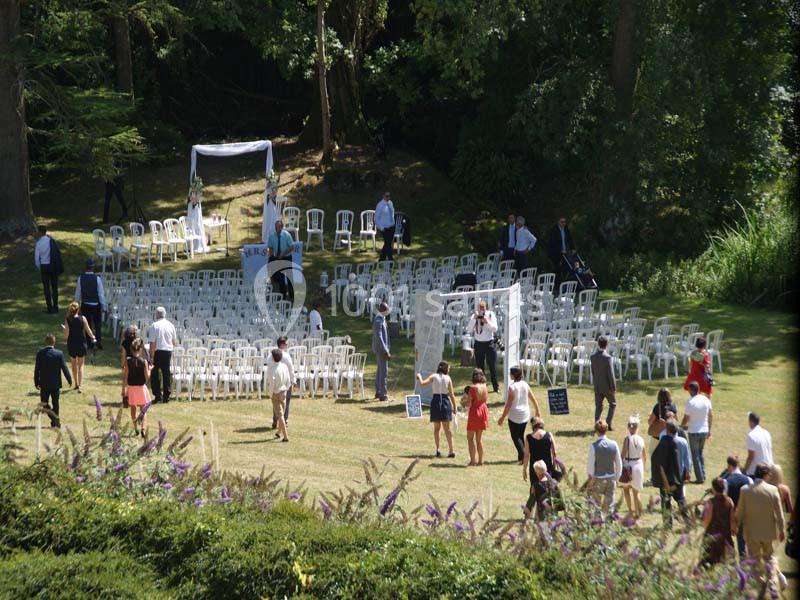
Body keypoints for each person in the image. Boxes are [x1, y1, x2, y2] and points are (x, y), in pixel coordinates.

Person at [736, 464, 786, 596]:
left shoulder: (745, 490)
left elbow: (739, 512)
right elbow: (780, 514)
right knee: (770, 560)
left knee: (754, 561)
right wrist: (782, 530)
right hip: (769, 533)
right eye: (769, 475)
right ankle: (773, 588)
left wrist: (735, 527)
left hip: (751, 534)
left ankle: (760, 586)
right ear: (765, 475)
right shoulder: (773, 490)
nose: (770, 477)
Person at [498, 366, 540, 463]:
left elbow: (509, 404)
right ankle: (521, 457)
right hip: (525, 414)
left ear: (513, 375)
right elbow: (532, 398)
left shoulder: (512, 387)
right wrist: (537, 409)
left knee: (515, 437)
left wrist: (502, 417)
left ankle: (524, 455)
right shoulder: (525, 384)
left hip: (515, 415)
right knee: (520, 435)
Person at [416, 361, 457, 458]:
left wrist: (419, 376)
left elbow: (422, 384)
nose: (449, 369)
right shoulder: (448, 378)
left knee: (437, 428)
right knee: (447, 429)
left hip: (436, 402)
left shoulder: (434, 376)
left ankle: (438, 449)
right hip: (445, 402)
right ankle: (451, 450)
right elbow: (451, 395)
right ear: (445, 368)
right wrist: (455, 407)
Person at [651, 420, 687, 528]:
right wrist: (677, 481)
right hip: (674, 478)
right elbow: (676, 465)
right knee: (680, 500)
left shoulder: (664, 442)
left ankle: (667, 524)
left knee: (666, 502)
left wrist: (664, 482)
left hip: (665, 479)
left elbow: (657, 461)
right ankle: (688, 521)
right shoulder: (674, 443)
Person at [34, 333, 72, 428]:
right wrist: (69, 379)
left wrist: (36, 382)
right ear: (54, 342)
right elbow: (64, 368)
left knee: (44, 403)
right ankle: (56, 419)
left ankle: (54, 420)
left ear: (46, 342)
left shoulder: (40, 353)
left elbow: (37, 369)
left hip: (44, 384)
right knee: (56, 403)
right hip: (55, 384)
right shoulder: (59, 354)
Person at [721, 455, 753, 557]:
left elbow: (725, 500)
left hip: (731, 515)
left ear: (729, 466)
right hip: (745, 515)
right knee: (742, 544)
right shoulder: (749, 480)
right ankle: (744, 566)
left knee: (727, 542)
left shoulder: (727, 481)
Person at [700, 478, 737, 567]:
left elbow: (706, 521)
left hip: (712, 534)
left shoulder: (710, 502)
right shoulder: (730, 501)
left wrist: (705, 529)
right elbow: (732, 519)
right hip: (725, 535)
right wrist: (733, 530)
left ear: (714, 488)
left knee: (708, 562)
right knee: (727, 562)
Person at [587, 419, 622, 511]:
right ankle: (610, 523)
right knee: (610, 507)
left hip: (598, 479)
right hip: (611, 478)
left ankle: (598, 523)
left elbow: (590, 467)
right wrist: (617, 478)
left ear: (596, 431)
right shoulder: (614, 444)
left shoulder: (593, 446)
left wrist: (590, 482)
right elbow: (619, 464)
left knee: (596, 507)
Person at [681, 381, 712, 483]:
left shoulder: (691, 402)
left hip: (694, 430)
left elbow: (686, 418)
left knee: (695, 455)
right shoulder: (706, 400)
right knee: (700, 452)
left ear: (691, 390)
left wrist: (681, 426)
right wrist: (709, 429)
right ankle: (702, 473)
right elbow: (710, 415)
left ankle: (700, 478)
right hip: (704, 429)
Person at [145, 306, 177, 404]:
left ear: (156, 315)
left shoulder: (154, 326)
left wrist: (151, 356)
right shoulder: (171, 325)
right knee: (166, 373)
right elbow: (174, 342)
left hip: (158, 351)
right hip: (167, 351)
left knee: (155, 374)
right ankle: (167, 396)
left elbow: (152, 343)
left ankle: (158, 395)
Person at [63, 301, 95, 393]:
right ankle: (80, 385)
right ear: (78, 309)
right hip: (81, 343)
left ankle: (76, 383)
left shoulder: (68, 319)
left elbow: (66, 334)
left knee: (73, 364)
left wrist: (65, 334)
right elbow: (88, 330)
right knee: (81, 365)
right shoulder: (83, 318)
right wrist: (93, 337)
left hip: (72, 343)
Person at [74, 259, 107, 349]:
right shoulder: (97, 279)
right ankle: (98, 342)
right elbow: (101, 294)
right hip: (96, 304)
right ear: (93, 268)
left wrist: (76, 304)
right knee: (98, 325)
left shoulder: (81, 278)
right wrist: (104, 306)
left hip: (86, 304)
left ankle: (89, 343)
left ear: (85, 268)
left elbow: (78, 293)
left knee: (87, 324)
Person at [467, 300, 499, 393]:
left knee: (492, 366)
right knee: (480, 367)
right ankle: (481, 388)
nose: (481, 312)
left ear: (486, 308)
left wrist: (486, 322)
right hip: (479, 343)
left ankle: (495, 387)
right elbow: (469, 329)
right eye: (480, 309)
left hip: (489, 343)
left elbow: (495, 328)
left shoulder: (490, 315)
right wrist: (474, 319)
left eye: (483, 310)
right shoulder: (474, 315)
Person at [122, 338, 151, 436]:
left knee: (133, 410)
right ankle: (143, 428)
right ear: (140, 350)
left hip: (131, 388)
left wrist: (123, 390)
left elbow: (125, 377)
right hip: (141, 388)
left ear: (131, 350)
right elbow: (147, 377)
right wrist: (150, 370)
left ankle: (135, 428)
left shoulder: (128, 361)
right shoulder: (144, 362)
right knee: (144, 410)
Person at [620, 415, 646, 518]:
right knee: (636, 491)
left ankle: (631, 511)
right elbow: (644, 456)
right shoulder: (641, 439)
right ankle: (639, 511)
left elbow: (623, 454)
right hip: (638, 465)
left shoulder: (627, 439)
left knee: (626, 489)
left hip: (628, 465)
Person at [590, 337, 617, 431]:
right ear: (607, 345)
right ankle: (608, 423)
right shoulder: (608, 358)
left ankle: (597, 424)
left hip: (597, 385)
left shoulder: (593, 357)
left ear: (598, 344)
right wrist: (613, 388)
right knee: (613, 404)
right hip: (606, 386)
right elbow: (611, 374)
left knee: (598, 405)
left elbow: (593, 371)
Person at [35, 225, 62, 313]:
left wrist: (40, 267)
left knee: (46, 287)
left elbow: (36, 259)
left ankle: (49, 308)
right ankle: (56, 306)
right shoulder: (51, 240)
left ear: (40, 232)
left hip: (44, 266)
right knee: (54, 287)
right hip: (52, 265)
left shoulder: (38, 243)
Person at [266, 348, 291, 442]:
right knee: (282, 413)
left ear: (272, 358)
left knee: (280, 415)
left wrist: (270, 394)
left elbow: (271, 383)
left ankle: (285, 436)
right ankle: (279, 432)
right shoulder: (284, 366)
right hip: (284, 391)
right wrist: (286, 389)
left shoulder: (271, 369)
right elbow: (288, 380)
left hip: (276, 393)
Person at [465, 368, 489, 466]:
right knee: (479, 439)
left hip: (475, 412)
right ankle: (480, 461)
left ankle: (473, 461)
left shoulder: (473, 388)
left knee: (470, 438)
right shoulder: (485, 386)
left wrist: (464, 402)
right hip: (483, 410)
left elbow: (469, 403)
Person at [271, 337, 296, 430]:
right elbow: (291, 369)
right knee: (286, 402)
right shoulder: (286, 356)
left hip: (276, 382)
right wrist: (293, 380)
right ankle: (284, 421)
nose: (287, 345)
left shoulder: (271, 355)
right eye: (286, 344)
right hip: (285, 382)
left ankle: (275, 420)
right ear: (281, 345)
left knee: (275, 402)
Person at [267, 220, 296, 299]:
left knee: (289, 277)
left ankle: (291, 295)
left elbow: (292, 247)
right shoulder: (272, 236)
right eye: (276, 228)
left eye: (279, 228)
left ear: (282, 227)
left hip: (287, 257)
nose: (277, 230)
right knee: (281, 277)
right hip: (278, 258)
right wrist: (271, 256)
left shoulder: (287, 235)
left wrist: (283, 253)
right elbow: (270, 247)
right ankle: (282, 295)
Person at [371, 302, 391, 402]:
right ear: (383, 310)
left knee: (380, 371)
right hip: (381, 350)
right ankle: (383, 394)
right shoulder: (378, 320)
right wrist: (386, 351)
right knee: (384, 372)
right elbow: (379, 337)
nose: (388, 311)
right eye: (387, 310)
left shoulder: (382, 319)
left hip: (381, 349)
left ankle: (378, 391)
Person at [743, 412, 773, 477]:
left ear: (751, 421)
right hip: (768, 468)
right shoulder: (766, 433)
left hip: (756, 471)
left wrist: (744, 470)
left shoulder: (751, 435)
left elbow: (751, 456)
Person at [647, 387, 676, 452]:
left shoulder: (657, 407)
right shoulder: (673, 406)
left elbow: (650, 422)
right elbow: (676, 420)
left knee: (653, 454)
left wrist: (649, 417)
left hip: (657, 437)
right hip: (669, 435)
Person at [375, 191, 395, 261]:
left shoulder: (390, 203)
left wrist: (393, 223)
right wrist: (382, 228)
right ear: (383, 196)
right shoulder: (380, 205)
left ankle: (382, 259)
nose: (388, 197)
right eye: (386, 196)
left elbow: (392, 213)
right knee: (388, 244)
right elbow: (376, 219)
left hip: (392, 226)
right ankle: (391, 260)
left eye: (389, 196)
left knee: (387, 243)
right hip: (385, 228)